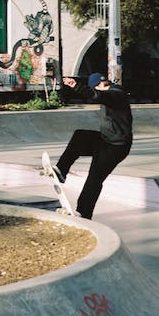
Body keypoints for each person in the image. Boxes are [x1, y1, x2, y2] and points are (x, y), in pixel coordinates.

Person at [53, 73, 133, 219]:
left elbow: (98, 96)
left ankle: (84, 213)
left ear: (100, 85)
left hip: (116, 147)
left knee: (95, 178)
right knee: (80, 136)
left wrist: (76, 86)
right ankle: (61, 171)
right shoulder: (110, 92)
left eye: (96, 88)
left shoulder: (116, 95)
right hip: (106, 140)